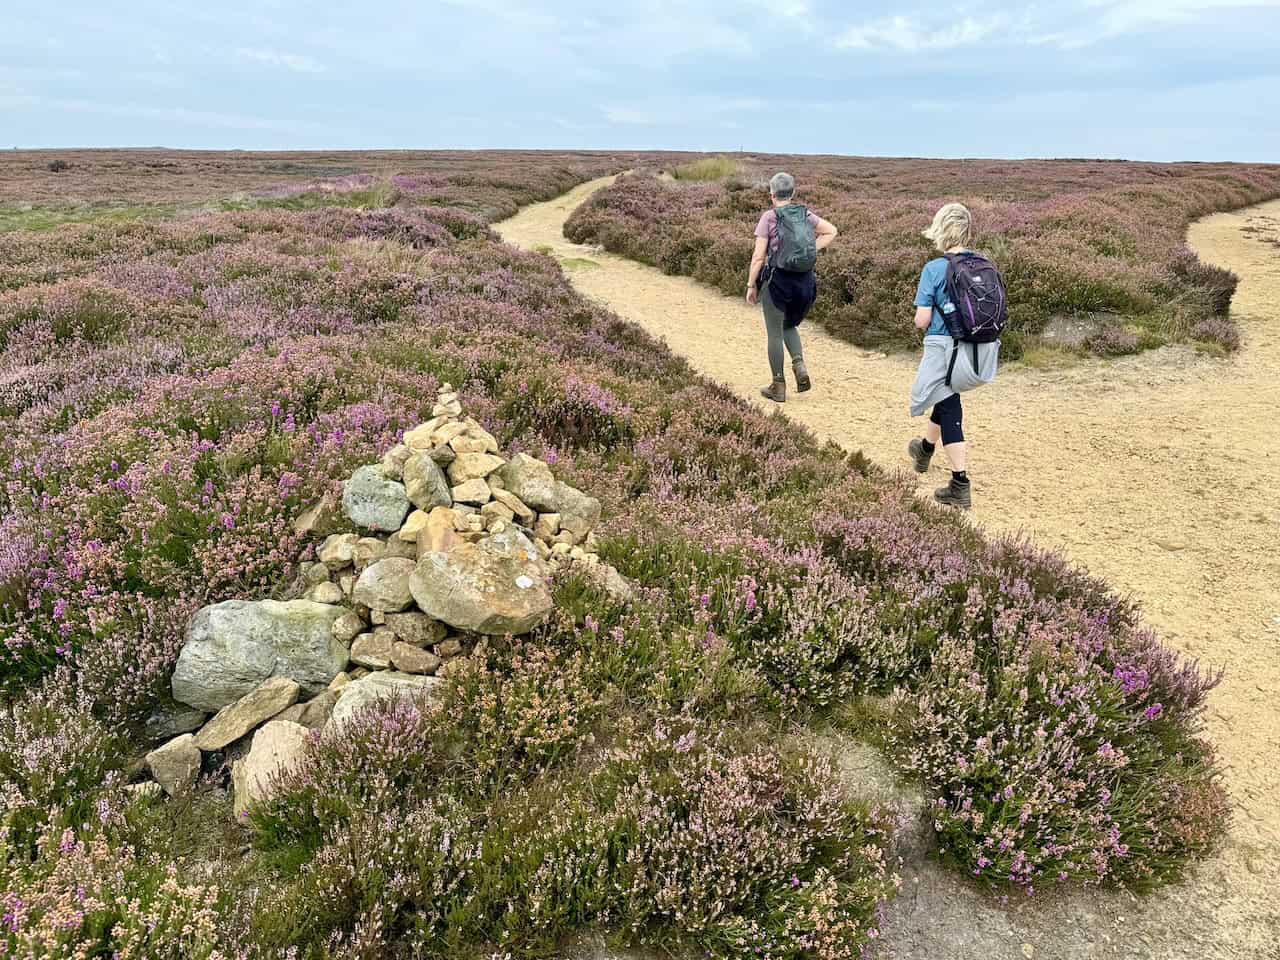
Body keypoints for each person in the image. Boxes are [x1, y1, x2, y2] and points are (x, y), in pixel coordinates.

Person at [906, 202, 995, 510]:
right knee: (944, 394)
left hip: (946, 348)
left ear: (940, 229)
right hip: (980, 348)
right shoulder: (983, 263)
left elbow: (921, 319)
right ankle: (925, 449)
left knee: (947, 403)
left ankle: (960, 483)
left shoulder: (934, 269)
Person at [746, 172, 838, 403]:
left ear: (771, 194)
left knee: (774, 333)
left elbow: (758, 257)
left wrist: (751, 285)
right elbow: (831, 231)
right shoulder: (805, 213)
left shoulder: (769, 217)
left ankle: (778, 386)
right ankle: (800, 366)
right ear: (793, 193)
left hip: (779, 282)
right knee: (789, 325)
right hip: (805, 282)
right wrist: (808, 251)